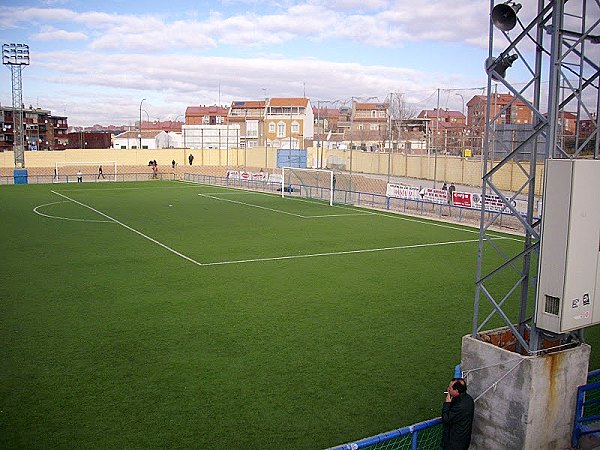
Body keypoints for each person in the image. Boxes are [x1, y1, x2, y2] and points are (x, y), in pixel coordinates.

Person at [441, 378, 474, 450]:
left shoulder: (460, 405)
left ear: (456, 391)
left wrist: (447, 403)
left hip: (454, 444)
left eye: (450, 388)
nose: (448, 389)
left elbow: (446, 418)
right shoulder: (468, 399)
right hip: (462, 441)